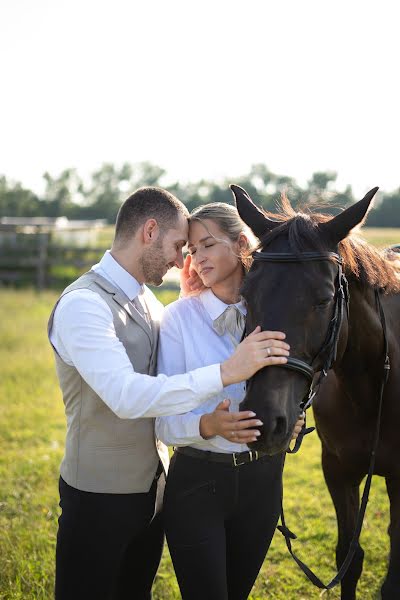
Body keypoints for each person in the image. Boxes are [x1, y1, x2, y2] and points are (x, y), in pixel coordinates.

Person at [47, 187, 290, 600]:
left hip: (152, 498)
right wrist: (225, 375)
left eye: (193, 248)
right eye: (181, 246)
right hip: (98, 498)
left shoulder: (149, 303)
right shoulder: (83, 305)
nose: (184, 262)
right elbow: (125, 396)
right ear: (149, 231)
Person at [156, 202, 303, 600]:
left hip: (263, 484)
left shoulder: (275, 314)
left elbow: (298, 381)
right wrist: (209, 425)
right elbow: (163, 423)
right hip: (198, 486)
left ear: (241, 243)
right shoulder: (177, 320)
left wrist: (294, 417)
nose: (196, 259)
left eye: (206, 245)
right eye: (190, 251)